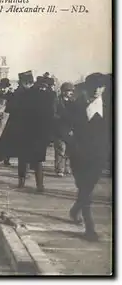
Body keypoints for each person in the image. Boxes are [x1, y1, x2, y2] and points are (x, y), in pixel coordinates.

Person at [67, 73, 109, 241]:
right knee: (85, 188)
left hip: (98, 156)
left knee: (87, 189)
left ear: (104, 88)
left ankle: (80, 214)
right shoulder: (76, 106)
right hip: (79, 155)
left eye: (100, 87)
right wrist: (71, 142)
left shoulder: (109, 107)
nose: (97, 90)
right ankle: (87, 224)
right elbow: (62, 125)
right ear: (86, 88)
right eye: (93, 87)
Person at [10, 71, 54, 192]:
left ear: (25, 83)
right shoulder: (43, 95)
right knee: (38, 161)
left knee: (23, 158)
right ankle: (40, 185)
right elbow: (49, 114)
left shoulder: (21, 95)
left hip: (25, 133)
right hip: (39, 134)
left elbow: (14, 112)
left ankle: (21, 183)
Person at [53, 82, 75, 177]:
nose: (70, 93)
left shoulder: (73, 102)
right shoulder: (57, 101)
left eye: (71, 91)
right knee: (60, 149)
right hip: (59, 129)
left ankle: (67, 167)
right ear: (63, 91)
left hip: (70, 129)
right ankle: (59, 169)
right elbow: (53, 114)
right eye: (68, 91)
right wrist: (61, 118)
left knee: (69, 150)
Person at [0, 78, 14, 165]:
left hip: (9, 122)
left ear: (8, 87)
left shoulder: (12, 97)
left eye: (5, 87)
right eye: (2, 87)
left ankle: (7, 159)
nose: (3, 89)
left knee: (8, 141)